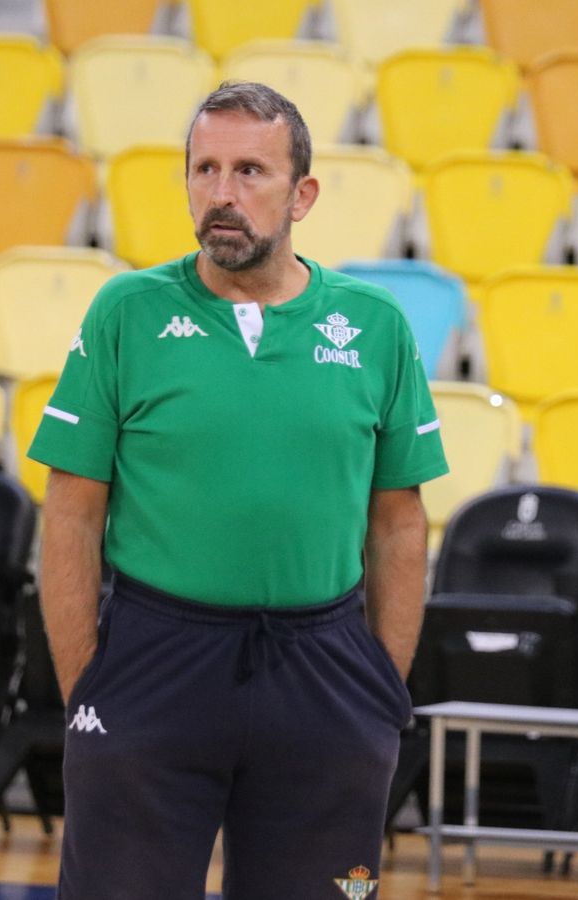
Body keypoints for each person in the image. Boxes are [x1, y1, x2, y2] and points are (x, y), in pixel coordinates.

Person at [28, 82, 448, 900]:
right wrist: (87, 690)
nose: (222, 193)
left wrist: (380, 692)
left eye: (250, 171)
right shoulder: (126, 312)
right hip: (154, 660)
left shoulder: (375, 324)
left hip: (324, 670)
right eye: (205, 169)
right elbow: (71, 514)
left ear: (302, 195)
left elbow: (399, 524)